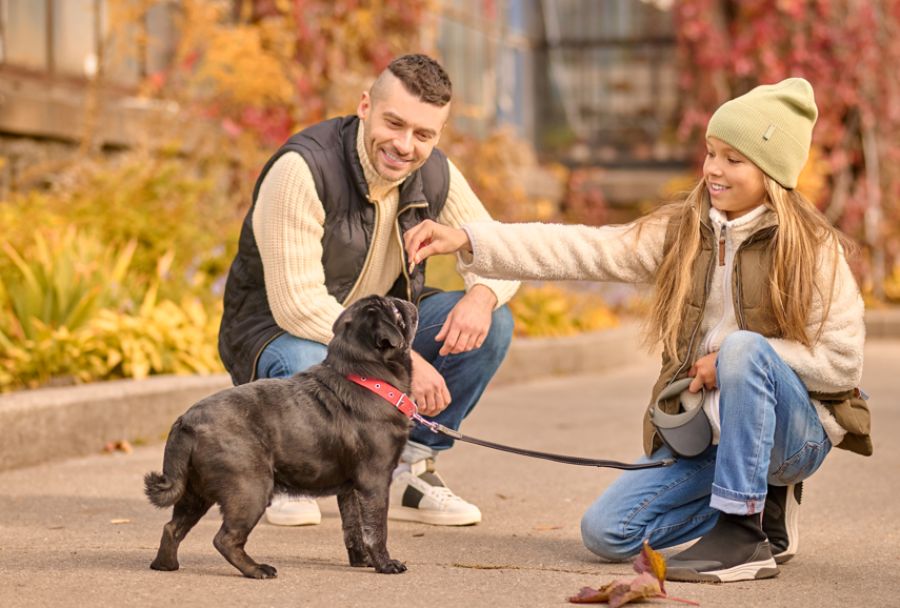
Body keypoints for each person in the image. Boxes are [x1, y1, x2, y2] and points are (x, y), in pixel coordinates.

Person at [403, 78, 870, 582]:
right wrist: (469, 239)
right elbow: (584, 249)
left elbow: (842, 363)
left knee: (742, 350)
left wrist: (735, 363)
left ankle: (742, 532)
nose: (713, 169)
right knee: (607, 533)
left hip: (791, 438)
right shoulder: (685, 233)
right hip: (712, 437)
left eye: (733, 159)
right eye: (711, 153)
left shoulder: (812, 250)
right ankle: (762, 505)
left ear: (772, 172)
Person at [218, 54, 519, 528]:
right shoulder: (303, 169)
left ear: (439, 133)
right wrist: (407, 359)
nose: (405, 145)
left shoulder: (435, 172)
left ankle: (408, 469)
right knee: (309, 360)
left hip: (376, 336)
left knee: (493, 322)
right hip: (278, 334)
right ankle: (283, 472)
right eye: (393, 124)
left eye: (423, 134)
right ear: (365, 106)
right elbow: (298, 306)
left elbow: (501, 251)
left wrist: (482, 298)